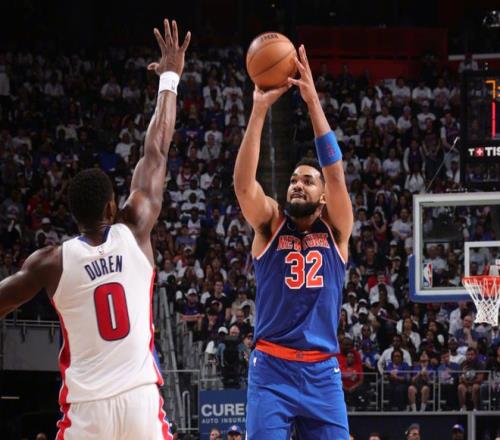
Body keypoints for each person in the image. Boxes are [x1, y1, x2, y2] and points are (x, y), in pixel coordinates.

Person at [0, 19, 191, 439]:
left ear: (73, 216)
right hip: (140, 400)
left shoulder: (50, 262)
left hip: (87, 410)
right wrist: (170, 78)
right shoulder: (135, 228)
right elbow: (157, 149)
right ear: (112, 206)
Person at [234, 45, 352, 439]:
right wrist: (259, 110)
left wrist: (312, 101)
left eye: (308, 180)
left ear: (323, 197)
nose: (297, 184)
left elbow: (335, 174)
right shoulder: (270, 224)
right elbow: (243, 186)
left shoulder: (336, 229)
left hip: (323, 371)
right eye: (293, 179)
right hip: (272, 368)